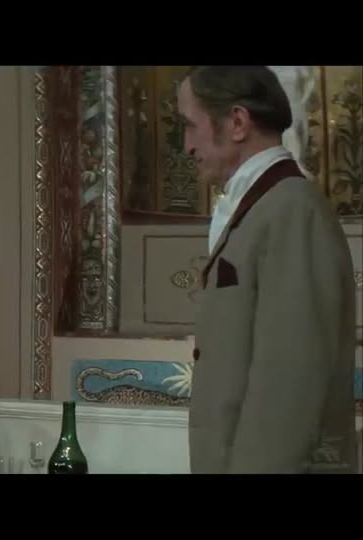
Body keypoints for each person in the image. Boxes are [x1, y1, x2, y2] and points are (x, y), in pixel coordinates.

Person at [178, 66, 358, 473]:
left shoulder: (292, 209)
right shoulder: (261, 206)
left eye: (190, 125)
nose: (186, 146)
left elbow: (289, 384)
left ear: (238, 122)